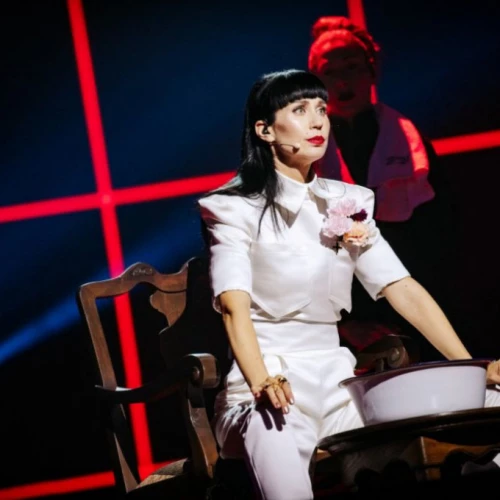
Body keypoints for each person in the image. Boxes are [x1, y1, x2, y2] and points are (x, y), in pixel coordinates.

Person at [198, 69, 500, 500]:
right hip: (266, 385)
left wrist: (472, 368)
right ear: (265, 130)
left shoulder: (348, 202)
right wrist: (262, 381)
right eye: (300, 110)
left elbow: (402, 288)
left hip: (341, 389)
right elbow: (233, 306)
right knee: (275, 425)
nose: (318, 121)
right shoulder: (233, 208)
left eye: (321, 109)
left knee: (490, 401)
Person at [307, 16, 458, 359]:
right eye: (330, 72)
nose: (342, 80)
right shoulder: (304, 152)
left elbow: (442, 235)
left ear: (371, 70)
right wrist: (345, 324)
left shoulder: (410, 142)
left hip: (415, 307)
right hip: (336, 325)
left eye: (352, 67)